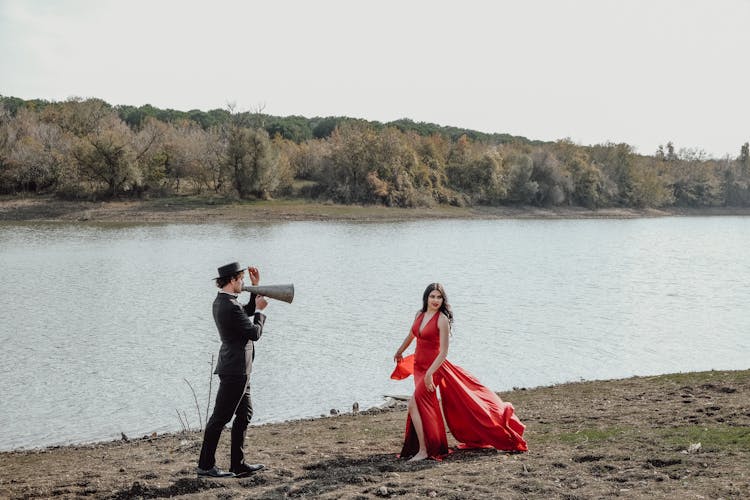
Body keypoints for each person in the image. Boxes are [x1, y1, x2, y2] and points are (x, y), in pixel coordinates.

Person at [391, 283, 528, 461]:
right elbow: (412, 334)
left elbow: (443, 352)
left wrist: (430, 373)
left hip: (434, 368)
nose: (435, 300)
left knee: (413, 404)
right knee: (422, 407)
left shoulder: (442, 320)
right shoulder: (419, 314)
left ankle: (425, 451)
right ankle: (429, 446)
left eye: (439, 297)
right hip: (419, 367)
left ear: (443, 300)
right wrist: (400, 351)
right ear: (426, 298)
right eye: (432, 296)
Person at [197, 262, 268, 478]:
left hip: (238, 369)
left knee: (244, 414)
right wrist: (260, 312)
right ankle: (206, 466)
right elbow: (254, 333)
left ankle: (238, 465)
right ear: (232, 281)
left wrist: (257, 288)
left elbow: (243, 312)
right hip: (235, 371)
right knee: (220, 418)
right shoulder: (228, 305)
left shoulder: (224, 302)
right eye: (242, 280)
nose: (243, 283)